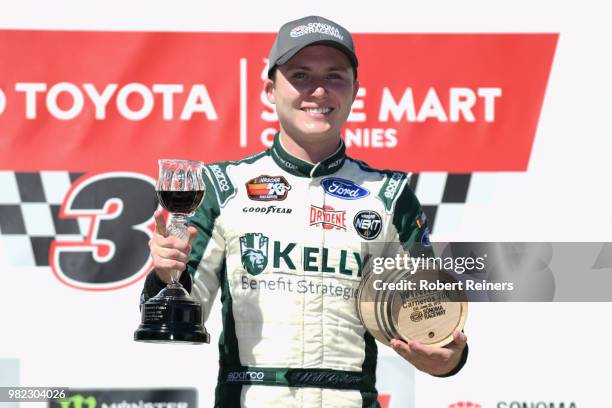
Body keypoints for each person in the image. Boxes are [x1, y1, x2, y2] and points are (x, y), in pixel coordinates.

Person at [141, 15, 468, 407]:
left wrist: (449, 357)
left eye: (334, 76)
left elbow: (427, 315)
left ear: (354, 90)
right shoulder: (223, 186)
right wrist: (165, 276)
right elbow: (181, 312)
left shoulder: (389, 194)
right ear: (269, 89)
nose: (318, 90)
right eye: (300, 75)